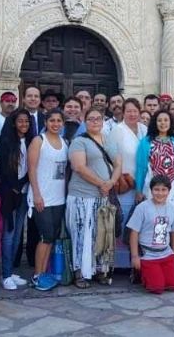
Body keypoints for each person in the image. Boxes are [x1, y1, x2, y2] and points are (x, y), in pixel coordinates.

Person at [134, 110, 174, 272]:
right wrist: (138, 189)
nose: (163, 123)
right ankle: (151, 260)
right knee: (153, 221)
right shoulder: (146, 142)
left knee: (173, 222)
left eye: (166, 120)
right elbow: (140, 167)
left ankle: (173, 262)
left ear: (171, 123)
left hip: (172, 188)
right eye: (159, 120)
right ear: (155, 122)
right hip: (152, 186)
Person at [67, 109, 120, 287]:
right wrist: (101, 183)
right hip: (83, 195)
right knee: (82, 234)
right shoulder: (79, 141)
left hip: (103, 195)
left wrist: (111, 182)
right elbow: (79, 167)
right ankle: (80, 272)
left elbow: (118, 164)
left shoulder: (108, 140)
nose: (95, 121)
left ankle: (99, 270)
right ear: (85, 121)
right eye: (91, 119)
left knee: (102, 233)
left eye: (98, 118)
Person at [27, 109, 69, 291]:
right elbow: (32, 168)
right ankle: (37, 275)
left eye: (59, 121)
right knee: (44, 237)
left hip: (58, 198)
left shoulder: (64, 142)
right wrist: (36, 194)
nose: (55, 124)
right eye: (52, 120)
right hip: (42, 197)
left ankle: (45, 272)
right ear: (46, 122)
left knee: (51, 238)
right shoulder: (39, 141)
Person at [0, 109, 33, 290]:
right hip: (10, 193)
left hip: (25, 192)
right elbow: (3, 169)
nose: (24, 124)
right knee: (8, 234)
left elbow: (31, 167)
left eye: (26, 121)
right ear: (13, 123)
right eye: (20, 121)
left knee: (18, 233)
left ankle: (10, 271)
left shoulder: (32, 141)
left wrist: (23, 184)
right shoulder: (6, 142)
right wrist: (15, 186)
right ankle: (5, 274)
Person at [127, 175, 174, 295]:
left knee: (173, 285)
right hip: (148, 254)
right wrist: (135, 256)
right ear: (151, 191)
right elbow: (134, 232)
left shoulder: (172, 209)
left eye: (163, 190)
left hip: (165, 252)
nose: (160, 193)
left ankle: (159, 272)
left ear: (169, 191)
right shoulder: (142, 208)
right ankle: (142, 275)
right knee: (157, 288)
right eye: (156, 190)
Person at [110, 98, 147, 268]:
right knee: (124, 220)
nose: (132, 114)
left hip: (143, 184)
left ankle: (138, 261)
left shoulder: (144, 130)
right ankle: (121, 263)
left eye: (135, 111)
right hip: (125, 184)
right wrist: (118, 177)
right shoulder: (117, 131)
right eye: (128, 111)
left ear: (140, 112)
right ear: (123, 113)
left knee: (139, 223)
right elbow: (111, 157)